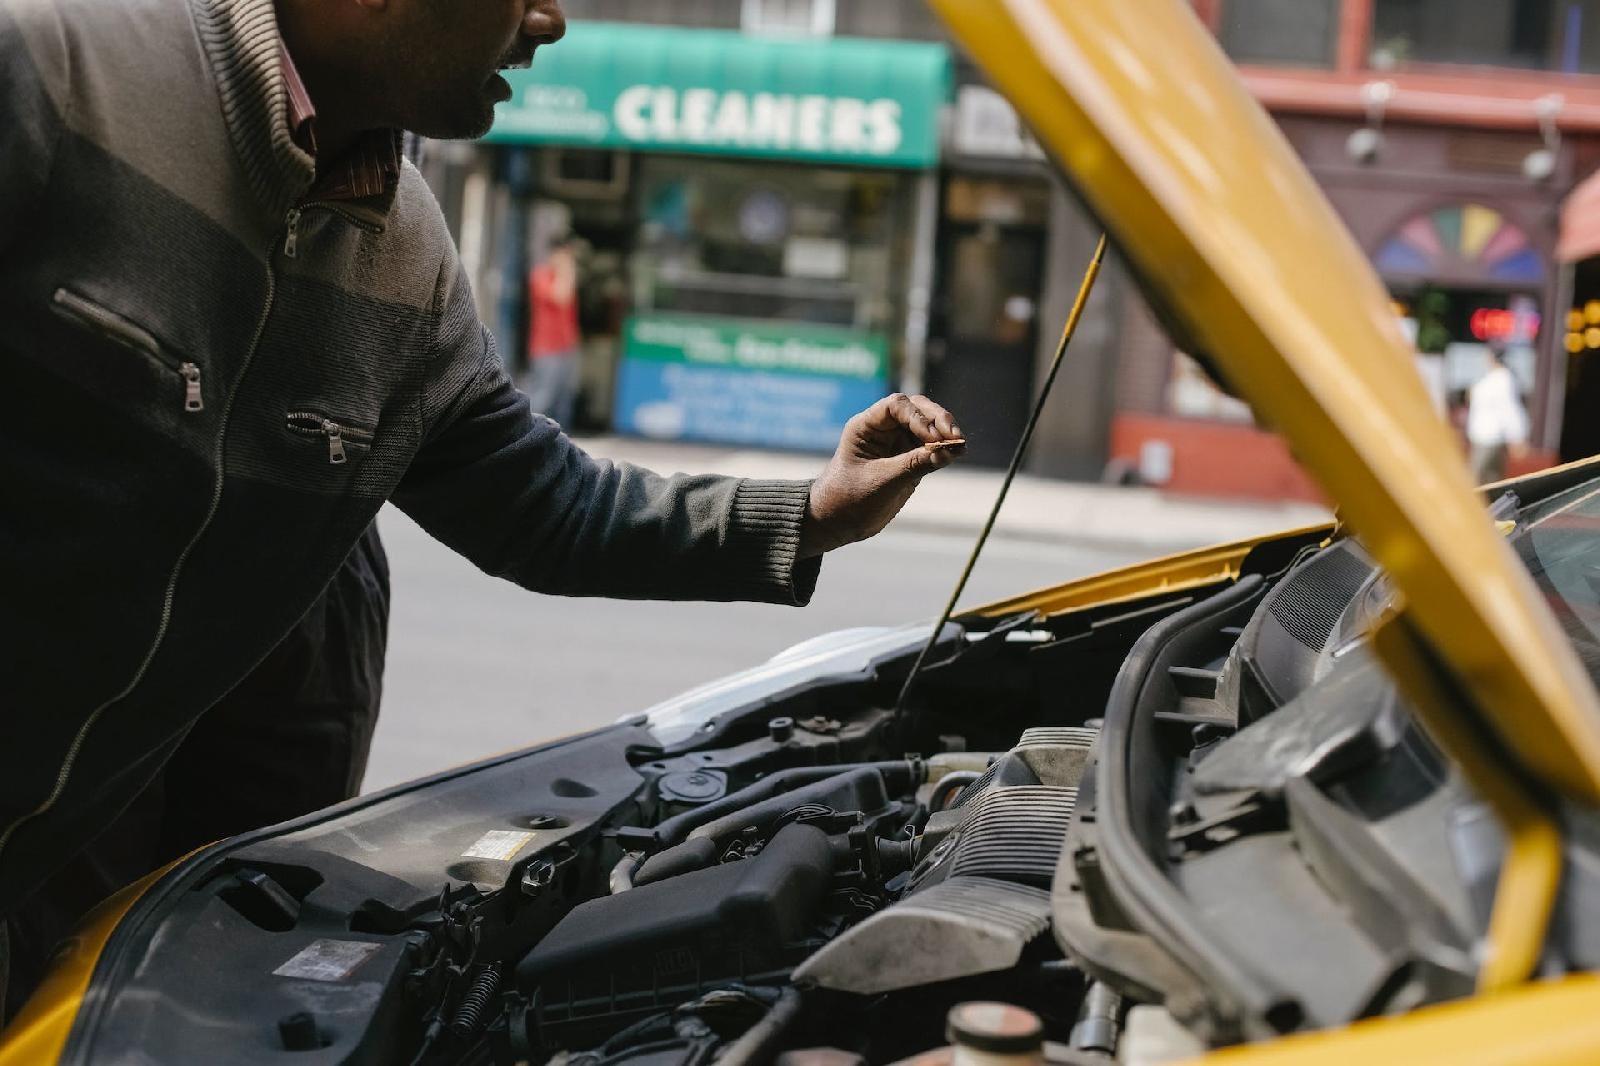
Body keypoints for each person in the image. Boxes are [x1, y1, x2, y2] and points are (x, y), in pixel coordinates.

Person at [0, 0, 965, 1014]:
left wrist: (812, 511)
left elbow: (543, 503)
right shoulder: (52, 68)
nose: (548, 22)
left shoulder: (409, 255)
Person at [524, 235, 583, 427]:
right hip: (546, 347)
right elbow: (560, 296)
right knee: (542, 397)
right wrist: (567, 271)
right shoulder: (540, 275)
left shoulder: (566, 277)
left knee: (563, 399)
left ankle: (559, 445)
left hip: (567, 346)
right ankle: (526, 438)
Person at [1466, 346, 1530, 484]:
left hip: (1490, 438)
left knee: (1475, 478)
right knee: (1492, 480)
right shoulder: (1493, 377)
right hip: (1485, 437)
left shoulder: (1503, 380)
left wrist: (1517, 437)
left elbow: (1509, 409)